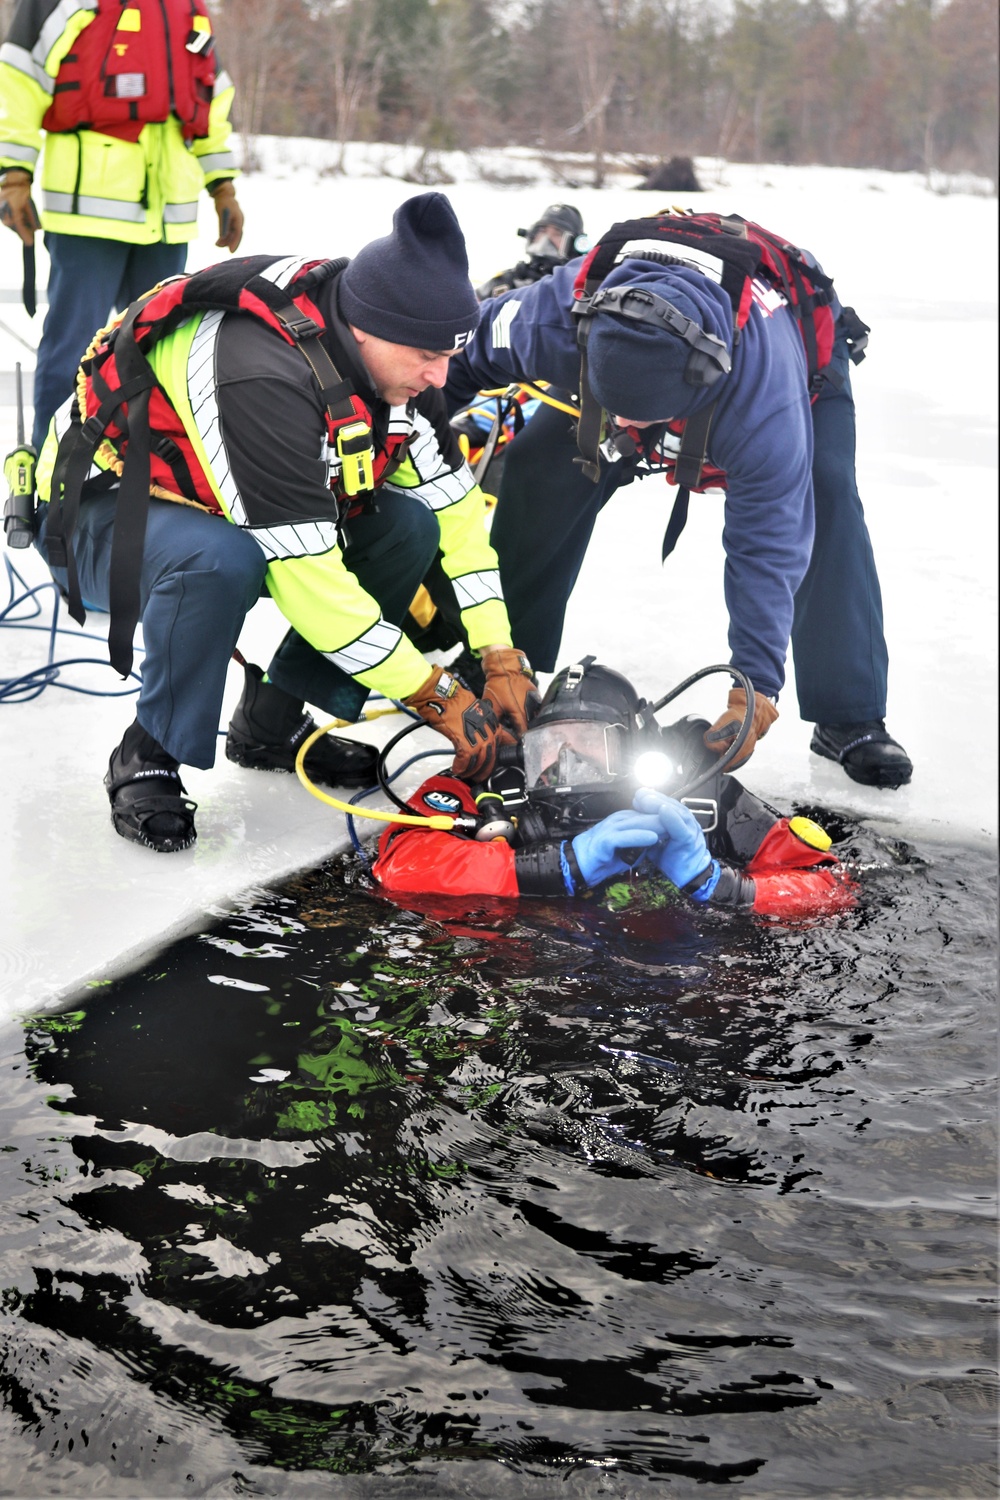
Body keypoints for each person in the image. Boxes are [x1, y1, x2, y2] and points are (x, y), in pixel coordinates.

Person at [31, 192, 538, 854]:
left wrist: (496, 650)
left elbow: (457, 515)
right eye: (426, 357)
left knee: (406, 526)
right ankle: (147, 753)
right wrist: (434, 694)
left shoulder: (389, 363)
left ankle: (270, 723)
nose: (440, 377)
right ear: (367, 330)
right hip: (102, 519)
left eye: (448, 356)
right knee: (218, 559)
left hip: (231, 509)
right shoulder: (259, 370)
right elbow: (307, 576)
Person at [444, 212, 913, 791]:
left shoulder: (763, 400)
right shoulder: (557, 314)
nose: (622, 424)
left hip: (795, 353)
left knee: (826, 493)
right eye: (617, 410)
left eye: (638, 417)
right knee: (544, 464)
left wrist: (754, 688)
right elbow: (453, 354)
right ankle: (504, 662)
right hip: (628, 348)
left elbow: (768, 542)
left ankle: (850, 715)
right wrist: (412, 438)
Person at [374, 658, 856, 917]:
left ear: (633, 746)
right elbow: (400, 864)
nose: (565, 762)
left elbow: (830, 884)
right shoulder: (498, 785)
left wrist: (723, 887)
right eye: (549, 746)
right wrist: (550, 868)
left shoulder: (698, 795)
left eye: (586, 743)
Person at [0, 0, 245, 453]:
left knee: (161, 357)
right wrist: (13, 174)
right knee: (74, 353)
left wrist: (222, 184)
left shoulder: (187, 9)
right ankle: (55, 474)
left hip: (167, 222)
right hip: (88, 218)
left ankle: (146, 475)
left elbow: (211, 100)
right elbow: (17, 82)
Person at [475, 203, 587, 300]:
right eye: (542, 231)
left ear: (575, 244)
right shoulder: (508, 281)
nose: (545, 239)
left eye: (557, 234)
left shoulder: (578, 287)